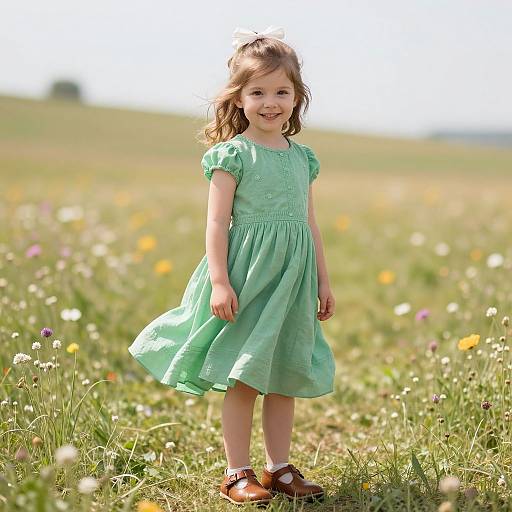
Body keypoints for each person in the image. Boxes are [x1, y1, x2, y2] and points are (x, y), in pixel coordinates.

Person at [128, 24, 336, 506]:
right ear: (238, 98)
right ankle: (236, 472)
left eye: (281, 91)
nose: (271, 102)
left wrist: (323, 281)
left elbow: (310, 225)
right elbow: (217, 223)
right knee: (245, 374)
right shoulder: (232, 155)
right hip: (245, 279)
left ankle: (279, 467)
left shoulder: (302, 159)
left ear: (296, 97)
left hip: (292, 281)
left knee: (283, 372)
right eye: (258, 91)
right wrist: (220, 282)